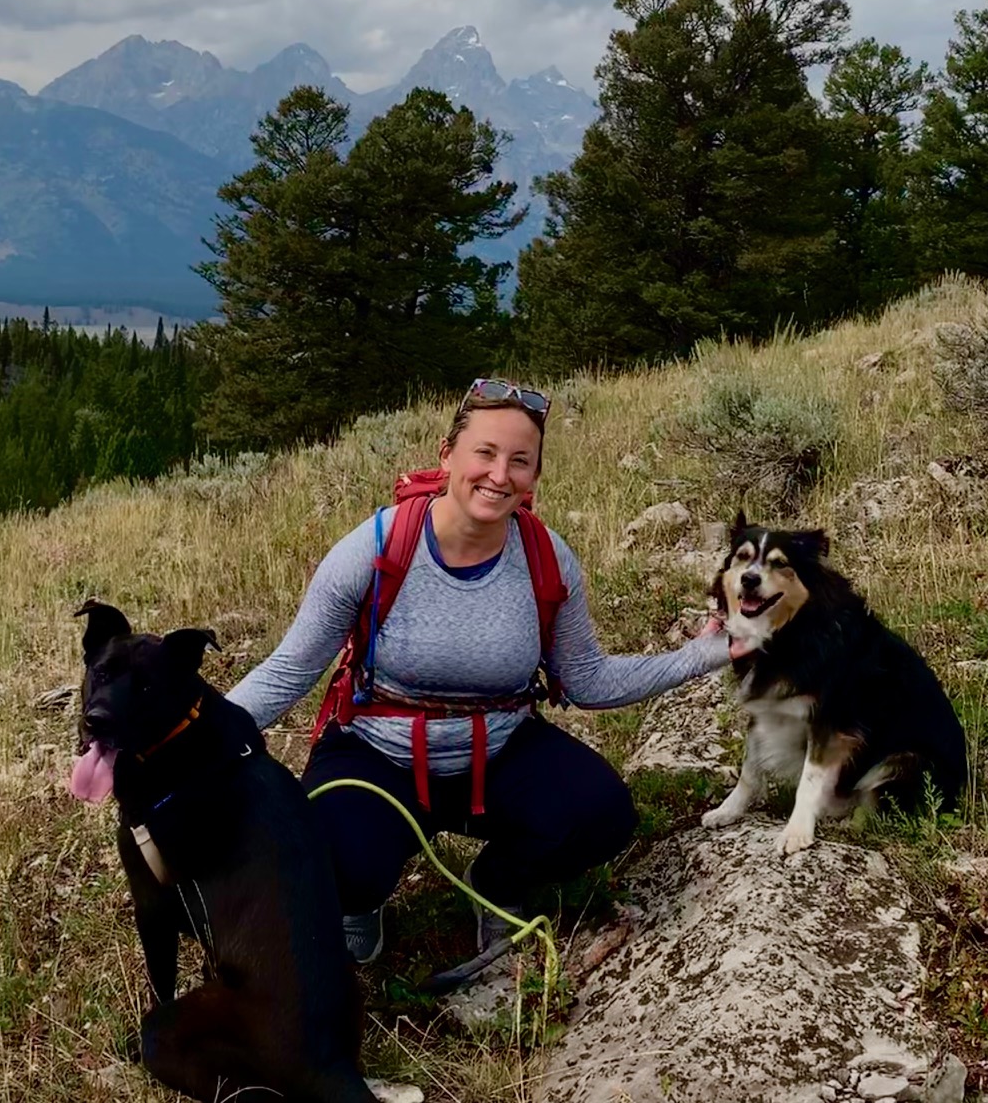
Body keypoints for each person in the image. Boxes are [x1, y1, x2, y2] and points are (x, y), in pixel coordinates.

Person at [226, 377, 730, 987]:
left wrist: (704, 654)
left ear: (534, 475)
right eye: (485, 453)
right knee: (327, 851)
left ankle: (496, 882)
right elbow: (290, 670)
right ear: (448, 455)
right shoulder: (376, 549)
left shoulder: (547, 559)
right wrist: (191, 735)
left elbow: (588, 680)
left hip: (499, 751)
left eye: (520, 460)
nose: (499, 474)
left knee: (601, 815)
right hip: (377, 753)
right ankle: (358, 898)